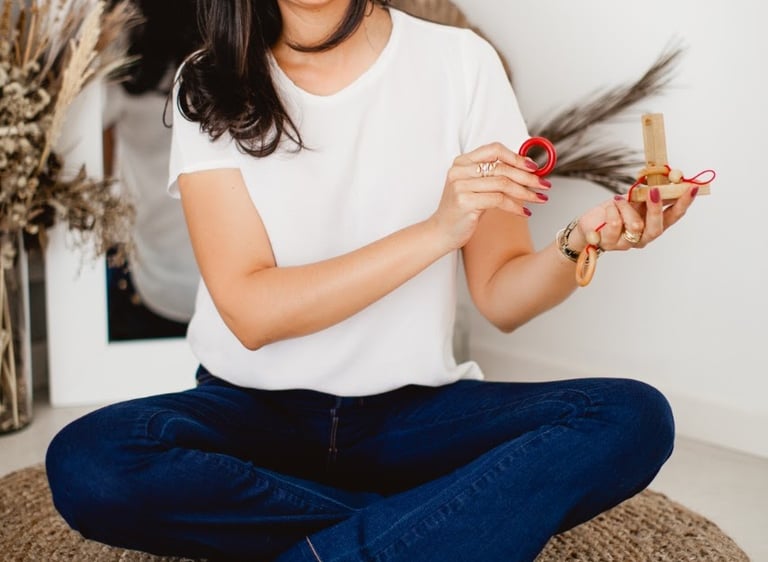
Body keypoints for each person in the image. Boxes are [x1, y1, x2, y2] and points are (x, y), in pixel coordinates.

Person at [46, 1, 696, 560]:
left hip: (413, 417)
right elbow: (252, 312)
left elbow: (501, 295)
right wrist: (437, 231)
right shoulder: (211, 76)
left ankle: (357, 538)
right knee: (93, 462)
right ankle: (421, 522)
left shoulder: (462, 64)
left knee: (631, 417)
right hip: (254, 414)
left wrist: (580, 239)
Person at [103, 0, 201, 340]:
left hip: (157, 277)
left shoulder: (117, 41)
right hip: (245, 275)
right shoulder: (244, 29)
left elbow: (94, 176)